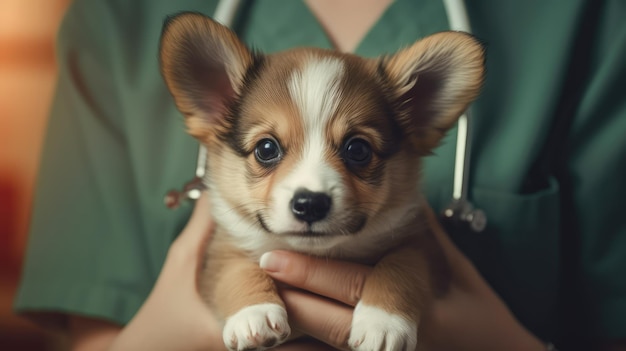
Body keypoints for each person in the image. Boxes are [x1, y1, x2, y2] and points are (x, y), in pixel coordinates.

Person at [14, 0, 626, 350]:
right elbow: (98, 330)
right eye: (267, 150)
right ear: (214, 112)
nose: (309, 188)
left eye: (356, 152)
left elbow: (411, 259)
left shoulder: (593, 21)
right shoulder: (113, 18)